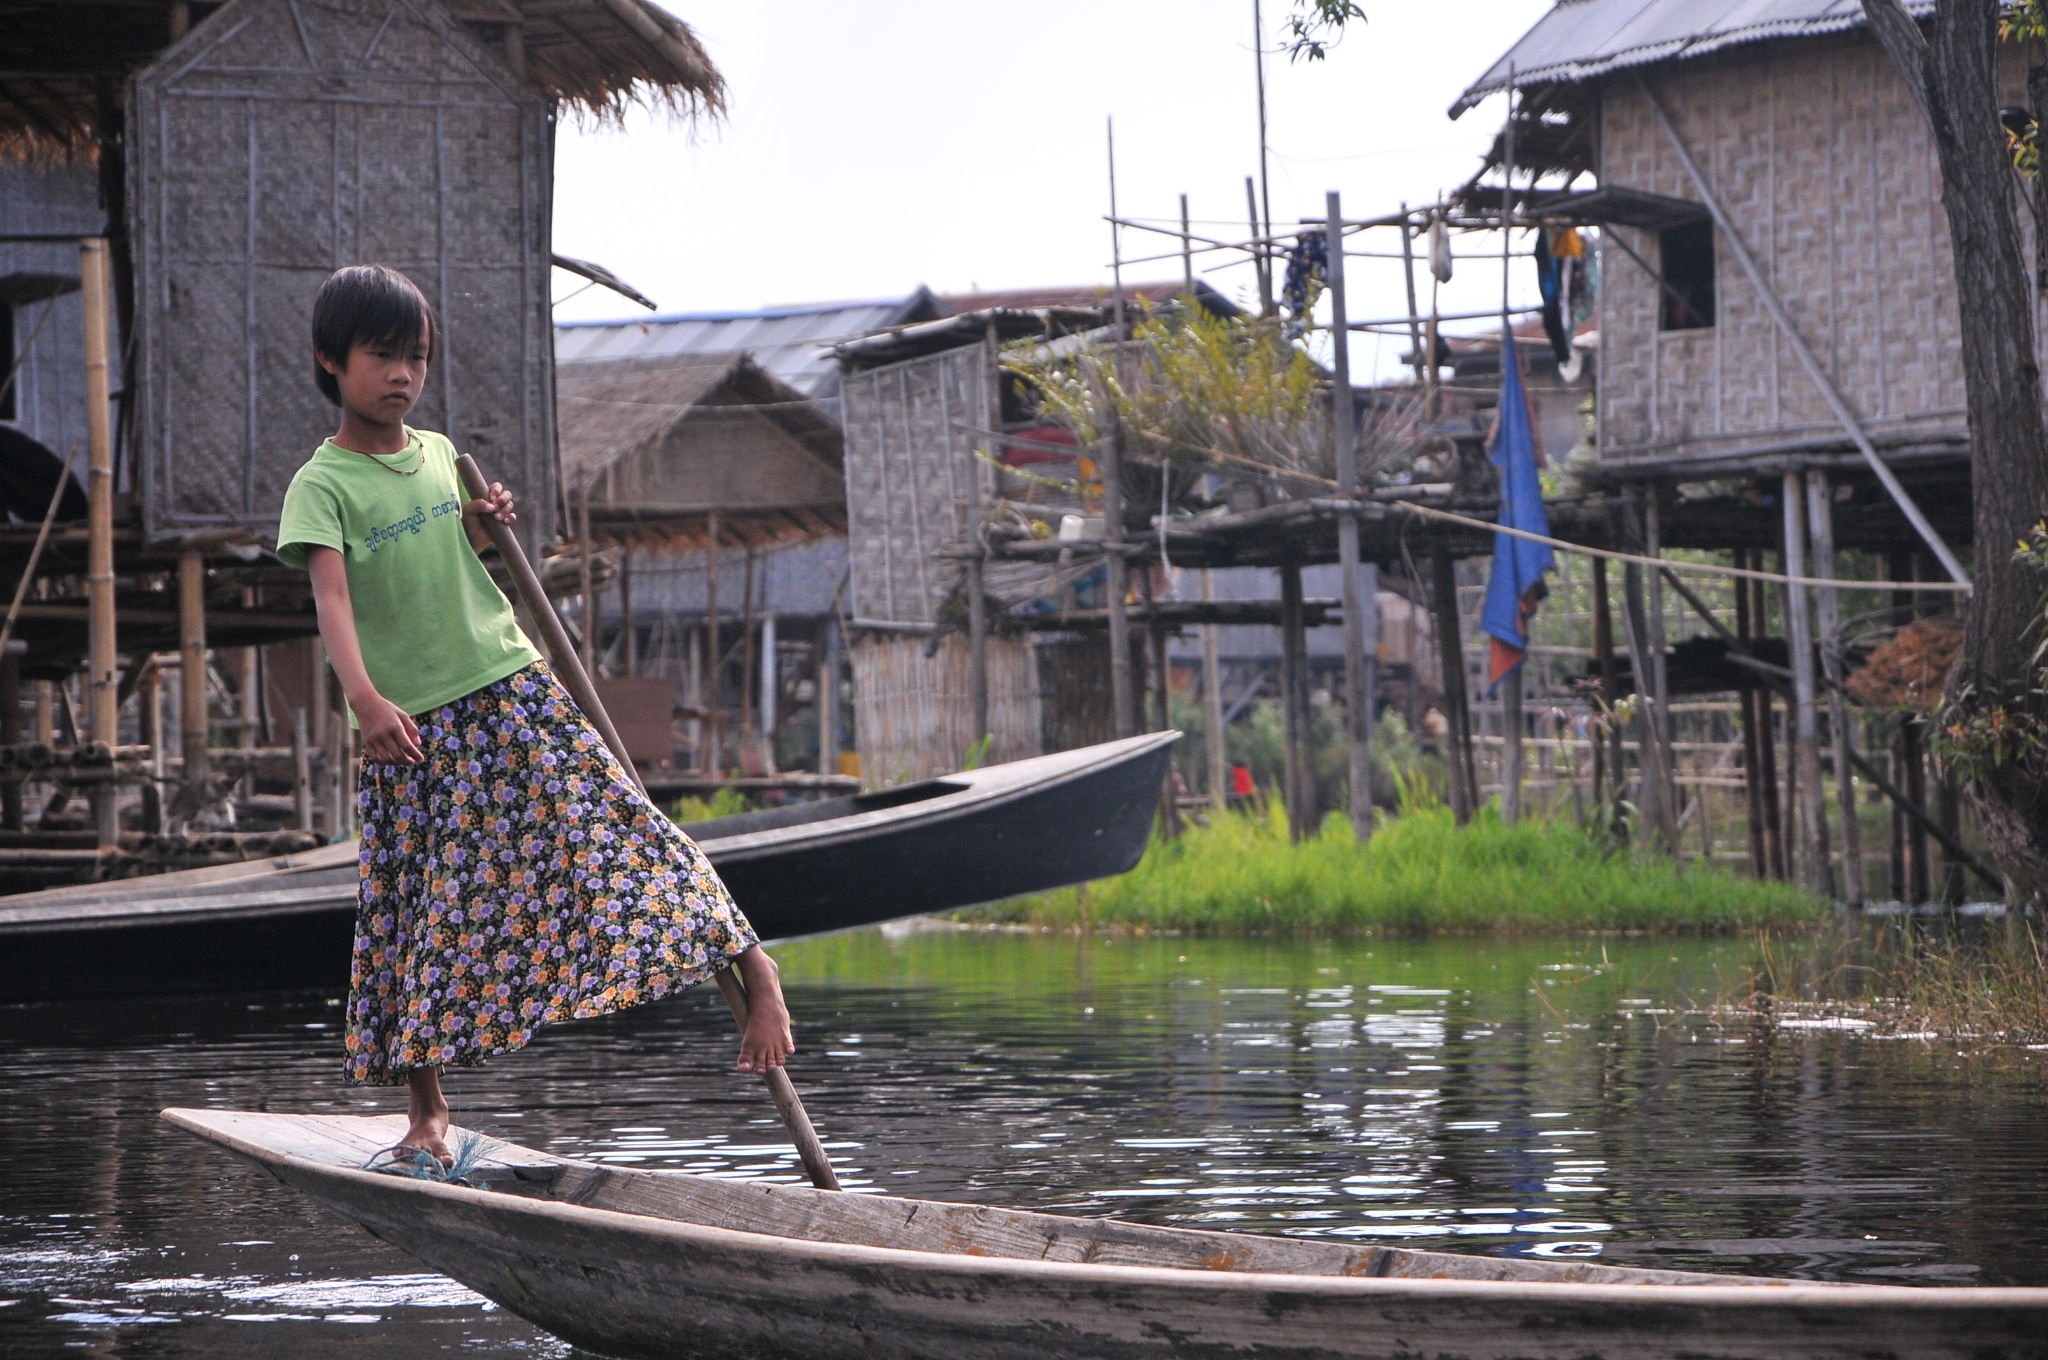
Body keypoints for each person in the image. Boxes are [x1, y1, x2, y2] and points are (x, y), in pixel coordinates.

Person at [277, 265, 793, 1169]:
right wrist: (365, 700)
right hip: (415, 723)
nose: (402, 375)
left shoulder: (438, 454)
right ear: (332, 361)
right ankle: (429, 1112)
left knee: (620, 828)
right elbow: (336, 601)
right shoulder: (322, 485)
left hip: (509, 681)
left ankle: (751, 960)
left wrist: (480, 528)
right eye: (382, 356)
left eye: (417, 358)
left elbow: (447, 560)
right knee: (418, 907)